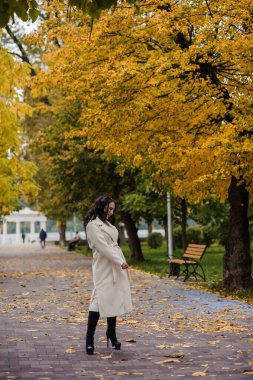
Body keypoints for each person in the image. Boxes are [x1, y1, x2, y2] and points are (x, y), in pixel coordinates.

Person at [84, 195, 132, 355]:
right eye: (109, 208)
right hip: (104, 264)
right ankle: (89, 338)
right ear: (102, 206)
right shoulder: (92, 225)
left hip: (115, 262)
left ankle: (111, 333)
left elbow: (112, 244)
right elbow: (103, 247)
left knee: (114, 297)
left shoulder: (108, 224)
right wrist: (120, 261)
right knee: (99, 298)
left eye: (113, 209)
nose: (111, 212)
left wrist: (119, 260)